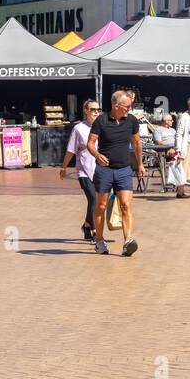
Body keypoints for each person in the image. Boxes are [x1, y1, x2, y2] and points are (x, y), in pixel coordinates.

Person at [85, 90, 145, 256]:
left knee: (126, 205)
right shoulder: (101, 121)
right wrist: (97, 155)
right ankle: (99, 241)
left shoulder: (132, 121)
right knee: (102, 206)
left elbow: (137, 142)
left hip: (124, 169)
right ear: (116, 105)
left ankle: (127, 241)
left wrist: (140, 164)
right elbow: (90, 143)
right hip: (104, 170)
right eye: (127, 106)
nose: (129, 109)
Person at [62, 100, 100, 241]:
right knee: (93, 198)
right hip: (83, 170)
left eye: (98, 109)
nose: (96, 112)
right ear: (85, 111)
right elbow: (71, 150)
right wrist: (64, 167)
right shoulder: (79, 129)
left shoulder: (102, 126)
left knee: (97, 201)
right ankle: (95, 230)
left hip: (99, 170)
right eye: (92, 109)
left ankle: (86, 225)